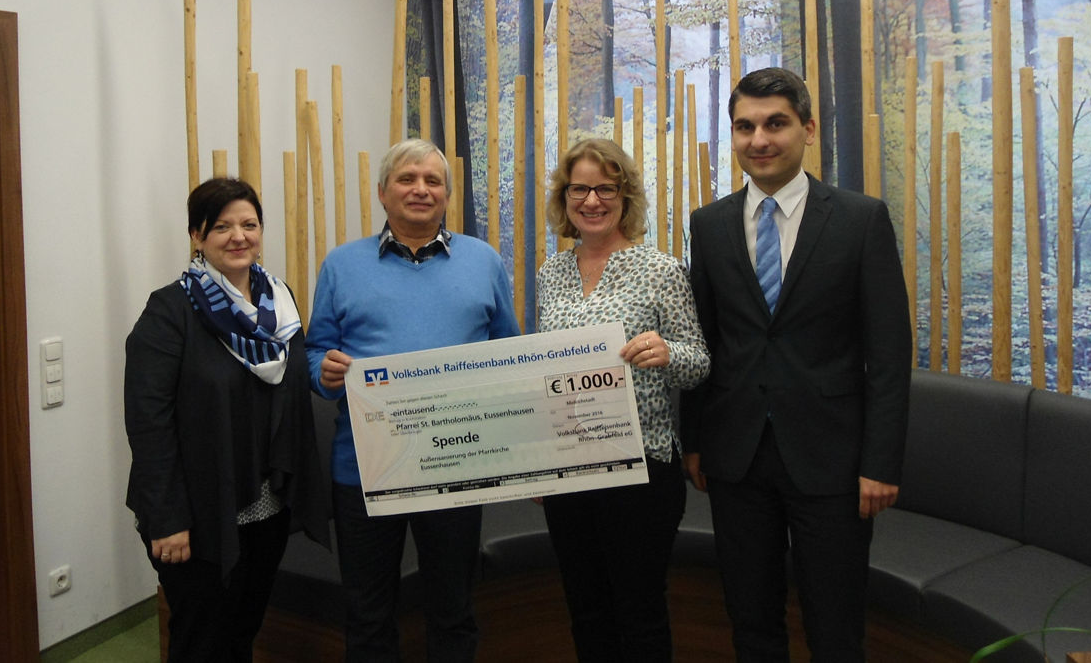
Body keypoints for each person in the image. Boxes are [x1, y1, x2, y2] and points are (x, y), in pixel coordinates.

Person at [682, 68, 911, 662]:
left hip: (832, 461)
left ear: (808, 129)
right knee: (751, 619)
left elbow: (888, 355)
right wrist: (695, 440)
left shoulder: (861, 220)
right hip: (736, 458)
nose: (759, 138)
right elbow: (704, 339)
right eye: (744, 126)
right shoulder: (707, 226)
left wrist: (880, 462)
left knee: (835, 626)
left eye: (775, 123)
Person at [306, 138, 520, 662]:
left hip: (456, 461)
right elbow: (315, 355)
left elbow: (510, 354)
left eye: (433, 181)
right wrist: (325, 372)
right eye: (407, 178)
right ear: (382, 192)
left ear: (447, 194)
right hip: (364, 468)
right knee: (368, 612)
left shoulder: (484, 260)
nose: (420, 189)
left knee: (452, 607)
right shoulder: (341, 264)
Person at [124, 177, 328, 662]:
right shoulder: (170, 311)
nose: (239, 236)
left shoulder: (280, 304)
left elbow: (291, 389)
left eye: (249, 224)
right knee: (201, 639)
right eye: (222, 227)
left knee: (242, 630)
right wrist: (167, 519)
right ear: (197, 236)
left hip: (266, 508)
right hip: (197, 515)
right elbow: (148, 424)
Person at [535, 138, 710, 662]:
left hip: (642, 469)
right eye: (579, 188)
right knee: (585, 610)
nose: (592, 200)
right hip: (569, 470)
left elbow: (699, 361)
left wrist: (666, 351)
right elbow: (546, 373)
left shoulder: (662, 270)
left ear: (625, 196)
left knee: (639, 613)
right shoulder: (550, 274)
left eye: (605, 188)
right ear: (564, 198)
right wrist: (541, 465)